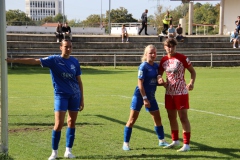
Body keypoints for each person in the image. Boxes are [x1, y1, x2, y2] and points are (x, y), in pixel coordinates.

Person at [5, 39, 84, 160]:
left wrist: (82, 98)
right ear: (60, 47)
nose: (68, 49)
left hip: (75, 96)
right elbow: (34, 61)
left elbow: (79, 81)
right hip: (61, 95)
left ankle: (68, 151)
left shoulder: (75, 61)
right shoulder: (54, 60)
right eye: (66, 47)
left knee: (71, 123)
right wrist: (14, 60)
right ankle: (54, 152)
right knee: (58, 124)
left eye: (70, 47)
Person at [122, 44, 168, 151]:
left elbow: (154, 82)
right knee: (132, 120)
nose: (153, 55)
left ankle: (161, 141)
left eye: (154, 53)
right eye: (150, 53)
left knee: (158, 118)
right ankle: (126, 143)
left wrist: (163, 83)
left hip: (151, 96)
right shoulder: (143, 66)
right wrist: (145, 98)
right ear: (146, 54)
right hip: (140, 96)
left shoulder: (156, 66)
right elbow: (140, 84)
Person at [157, 38, 196, 152]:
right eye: (168, 46)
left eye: (172, 46)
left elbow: (192, 71)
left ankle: (186, 144)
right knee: (171, 117)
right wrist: (160, 79)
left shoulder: (182, 58)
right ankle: (175, 141)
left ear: (175, 47)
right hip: (169, 92)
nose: (170, 48)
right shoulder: (163, 60)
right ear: (165, 47)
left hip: (181, 92)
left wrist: (191, 83)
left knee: (183, 117)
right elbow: (159, 73)